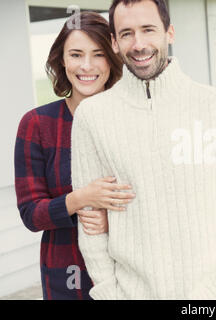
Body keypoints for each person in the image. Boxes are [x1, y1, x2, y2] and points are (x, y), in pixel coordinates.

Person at [70, 0, 216, 300]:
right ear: (114, 42)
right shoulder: (92, 116)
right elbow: (91, 218)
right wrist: (110, 293)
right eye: (126, 33)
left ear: (169, 33)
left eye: (148, 30)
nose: (139, 44)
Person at [14, 12, 135, 300]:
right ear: (62, 60)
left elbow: (158, 199)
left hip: (130, 268)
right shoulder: (37, 124)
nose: (87, 66)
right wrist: (82, 199)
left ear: (112, 59)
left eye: (98, 54)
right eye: (76, 54)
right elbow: (32, 214)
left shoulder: (133, 121)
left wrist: (115, 223)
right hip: (67, 273)